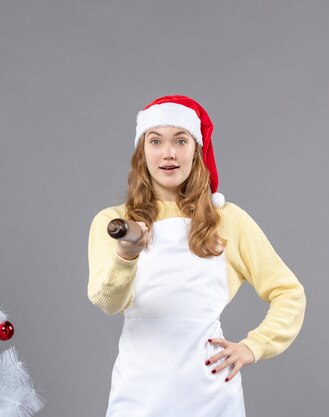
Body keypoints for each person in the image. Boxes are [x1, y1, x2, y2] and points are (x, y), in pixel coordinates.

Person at [87, 95, 306, 416]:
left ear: (196, 152)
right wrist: (126, 256)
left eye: (180, 140)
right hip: (139, 388)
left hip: (210, 389)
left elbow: (289, 293)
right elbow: (107, 302)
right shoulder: (113, 221)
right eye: (156, 141)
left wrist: (254, 346)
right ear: (141, 152)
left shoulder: (228, 219)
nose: (168, 153)